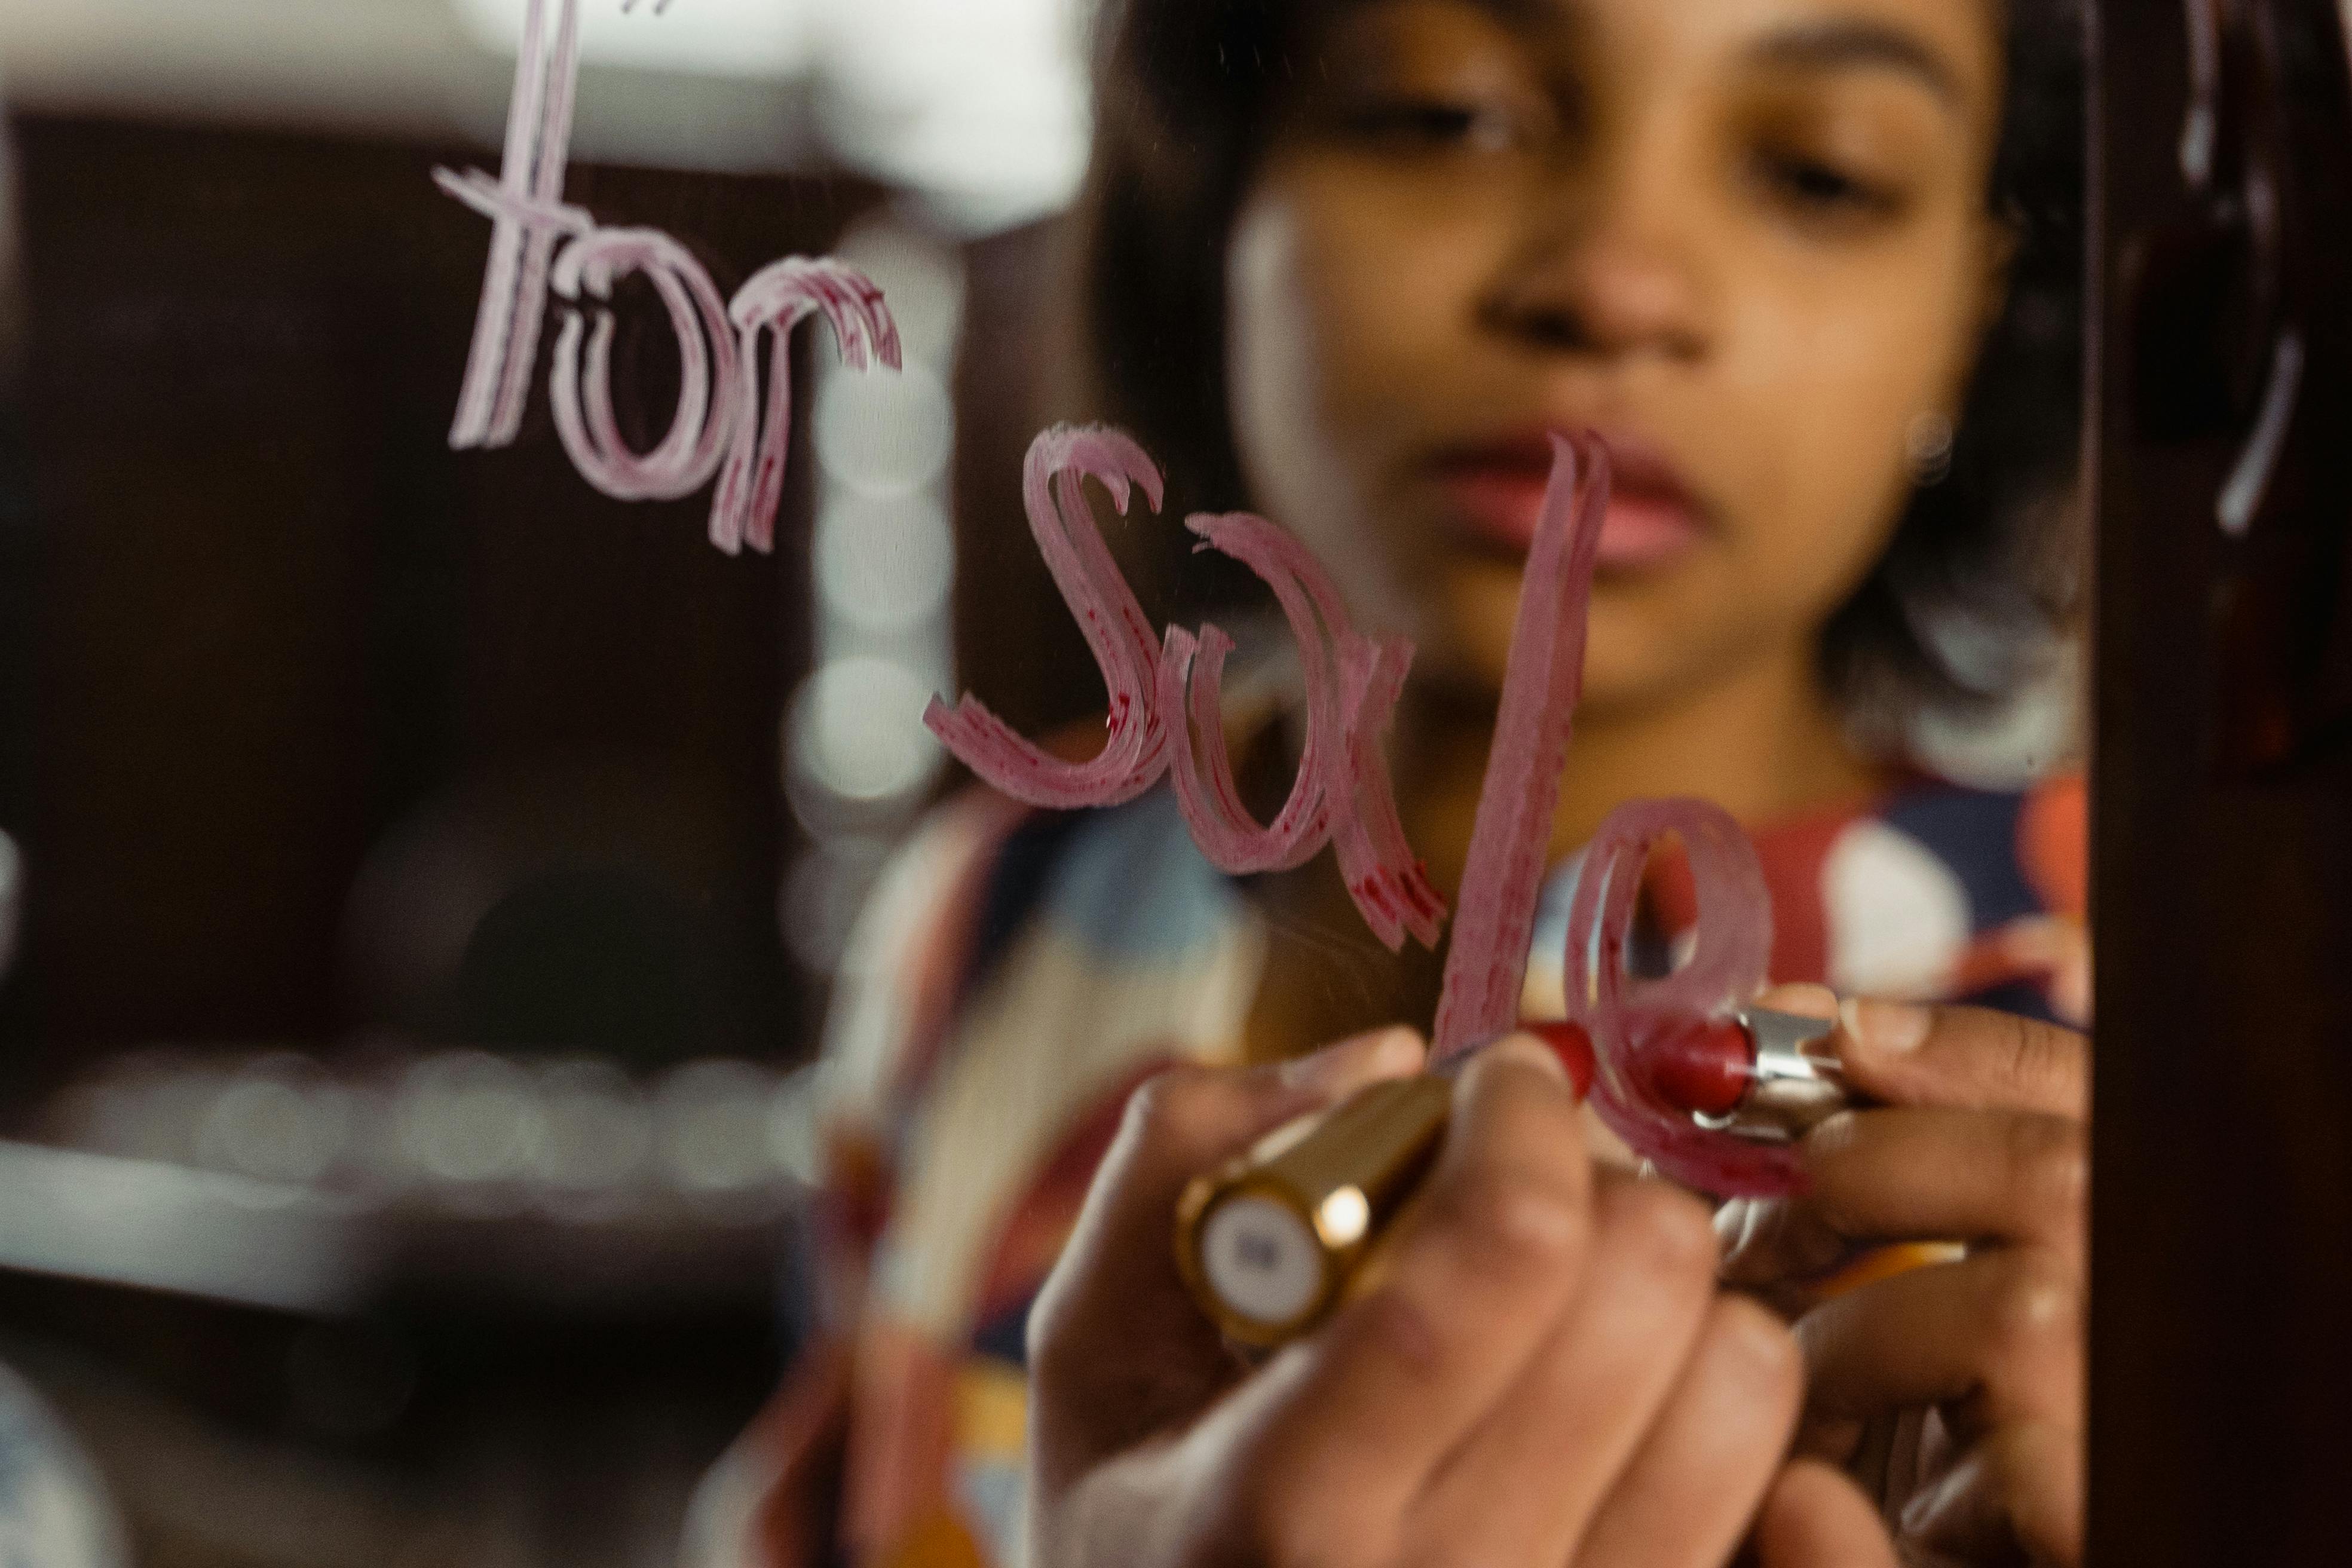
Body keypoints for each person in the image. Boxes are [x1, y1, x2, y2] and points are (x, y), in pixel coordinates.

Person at [687, 0, 2090, 1562]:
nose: (1615, 287)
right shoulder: (998, 898)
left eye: (1824, 176)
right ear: (1219, 194)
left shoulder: (2123, 1040)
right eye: (1446, 115)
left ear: (1982, 298)